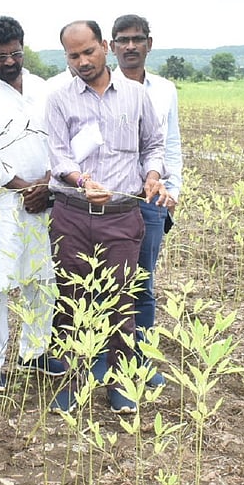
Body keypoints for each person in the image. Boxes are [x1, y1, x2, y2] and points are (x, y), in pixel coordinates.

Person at [45, 21, 167, 415]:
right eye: (73, 55)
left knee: (121, 302)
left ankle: (120, 382)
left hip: (121, 215)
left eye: (88, 52)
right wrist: (81, 181)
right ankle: (71, 383)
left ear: (105, 47)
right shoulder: (59, 98)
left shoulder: (135, 95)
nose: (82, 61)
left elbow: (153, 144)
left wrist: (152, 174)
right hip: (73, 213)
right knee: (71, 300)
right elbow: (58, 154)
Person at [0, 16, 65, 392]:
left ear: (24, 48)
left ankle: (35, 352)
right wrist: (21, 186)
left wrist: (47, 183)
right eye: (0, 56)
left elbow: (60, 140)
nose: (8, 62)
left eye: (15, 54)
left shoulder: (42, 89)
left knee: (43, 279)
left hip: (44, 199)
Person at [111, 15, 182, 388]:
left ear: (149, 44)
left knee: (144, 284)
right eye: (123, 40)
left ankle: (142, 361)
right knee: (108, 282)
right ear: (112, 46)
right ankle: (108, 360)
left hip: (153, 202)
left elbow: (171, 144)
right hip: (112, 202)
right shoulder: (98, 88)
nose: (130, 46)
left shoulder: (164, 89)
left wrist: (174, 195)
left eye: (137, 39)